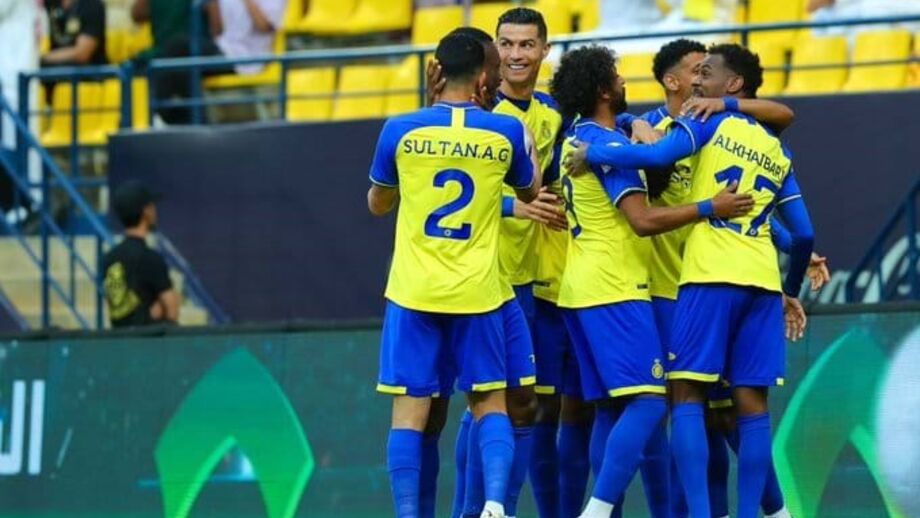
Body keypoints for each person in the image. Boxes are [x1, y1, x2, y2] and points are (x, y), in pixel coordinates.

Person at [565, 43, 816, 518]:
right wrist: (791, 280)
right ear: (671, 80)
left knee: (692, 404)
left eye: (707, 71)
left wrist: (593, 150)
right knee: (738, 407)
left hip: (701, 279)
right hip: (706, 282)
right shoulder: (767, 144)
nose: (699, 78)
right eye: (694, 70)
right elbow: (795, 227)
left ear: (731, 84)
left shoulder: (702, 123)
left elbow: (661, 160)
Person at [367, 32, 539, 518]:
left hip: (414, 291)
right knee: (489, 403)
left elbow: (378, 204)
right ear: (485, 77)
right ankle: (494, 505)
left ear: (437, 72)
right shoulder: (504, 132)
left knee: (410, 412)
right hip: (477, 290)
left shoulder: (400, 129)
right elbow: (531, 191)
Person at [102, 181, 179, 327]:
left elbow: (117, 310)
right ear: (146, 211)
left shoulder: (109, 259)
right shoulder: (151, 258)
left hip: (119, 339)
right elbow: (172, 311)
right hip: (149, 339)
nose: (155, 211)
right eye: (152, 206)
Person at [41, 0, 108, 67]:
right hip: (53, 68)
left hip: (90, 70)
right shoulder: (49, 4)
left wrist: (43, 58)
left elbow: (82, 54)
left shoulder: (92, 5)